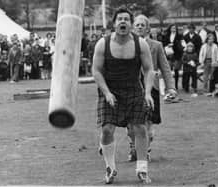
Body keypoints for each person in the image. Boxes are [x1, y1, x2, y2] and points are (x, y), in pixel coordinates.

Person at [92, 7, 154, 184]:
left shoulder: (139, 43)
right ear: (114, 24)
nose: (123, 22)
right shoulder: (102, 43)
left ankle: (142, 170)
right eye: (120, 19)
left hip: (134, 90)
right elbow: (96, 71)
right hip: (110, 90)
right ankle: (110, 168)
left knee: (140, 129)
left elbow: (149, 70)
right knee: (107, 129)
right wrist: (107, 93)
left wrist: (148, 92)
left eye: (127, 19)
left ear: (131, 24)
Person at [127, 15, 176, 162]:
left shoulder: (156, 45)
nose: (140, 27)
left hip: (151, 87)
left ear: (148, 28)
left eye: (143, 25)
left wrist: (171, 87)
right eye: (137, 25)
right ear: (132, 27)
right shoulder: (126, 45)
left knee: (148, 122)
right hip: (131, 88)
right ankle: (133, 147)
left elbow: (165, 68)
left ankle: (146, 151)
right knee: (130, 125)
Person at [163, 24, 184, 90]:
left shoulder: (179, 36)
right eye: (172, 28)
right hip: (169, 55)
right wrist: (168, 45)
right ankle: (168, 86)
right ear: (170, 29)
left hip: (177, 55)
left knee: (176, 71)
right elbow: (164, 44)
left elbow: (182, 46)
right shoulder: (166, 36)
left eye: (175, 28)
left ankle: (176, 86)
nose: (173, 29)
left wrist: (174, 45)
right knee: (168, 71)